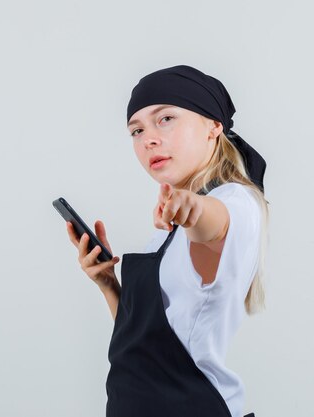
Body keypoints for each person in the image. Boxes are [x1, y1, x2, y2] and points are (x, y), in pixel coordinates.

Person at [64, 64, 269, 417]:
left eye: (166, 119)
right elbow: (151, 345)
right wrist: (110, 286)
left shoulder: (236, 202)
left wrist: (190, 206)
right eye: (137, 130)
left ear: (213, 127)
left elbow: (213, 223)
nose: (149, 139)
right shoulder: (167, 232)